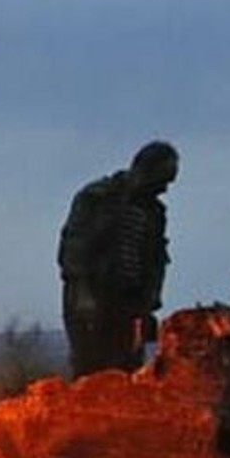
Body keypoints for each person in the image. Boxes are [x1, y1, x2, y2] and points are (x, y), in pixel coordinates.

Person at [58, 140, 179, 376]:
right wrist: (83, 294)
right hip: (92, 295)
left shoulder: (154, 214)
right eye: (161, 179)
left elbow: (155, 262)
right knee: (90, 372)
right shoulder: (98, 197)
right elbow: (75, 247)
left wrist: (149, 307)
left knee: (126, 372)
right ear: (144, 170)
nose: (164, 188)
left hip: (128, 305)